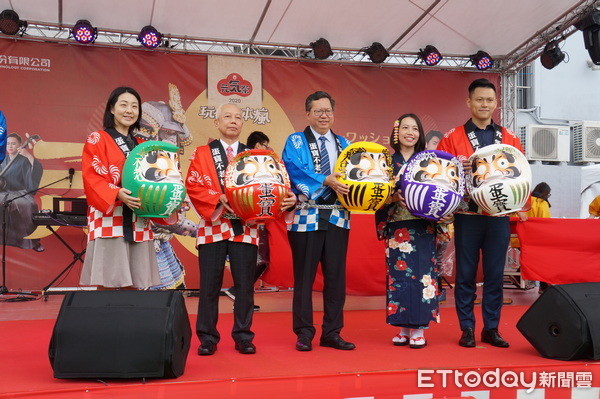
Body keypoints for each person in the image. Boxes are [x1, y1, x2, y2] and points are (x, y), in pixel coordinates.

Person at [186, 104, 295, 356]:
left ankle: (243, 336)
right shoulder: (202, 153)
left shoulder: (256, 155)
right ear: (217, 122)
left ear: (242, 123)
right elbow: (192, 184)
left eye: (237, 117)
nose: (233, 121)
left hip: (246, 228)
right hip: (213, 226)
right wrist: (217, 197)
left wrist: (284, 197)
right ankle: (207, 338)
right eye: (227, 116)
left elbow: (274, 182)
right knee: (209, 285)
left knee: (245, 286)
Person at [437, 78, 526, 348]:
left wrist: (522, 205)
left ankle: (491, 328)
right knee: (465, 274)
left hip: (498, 216)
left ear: (496, 103)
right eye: (479, 99)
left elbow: (521, 172)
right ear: (469, 102)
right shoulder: (452, 137)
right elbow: (441, 176)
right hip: (468, 216)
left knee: (495, 275)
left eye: (489, 100)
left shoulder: (510, 138)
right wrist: (456, 169)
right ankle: (466, 328)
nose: (484, 104)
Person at [282, 91, 355, 352]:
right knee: (304, 277)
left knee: (336, 278)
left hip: (337, 215)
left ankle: (332, 332)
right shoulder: (297, 141)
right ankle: (304, 333)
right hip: (306, 214)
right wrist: (325, 180)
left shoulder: (345, 144)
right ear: (308, 113)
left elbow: (356, 176)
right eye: (318, 111)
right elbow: (292, 168)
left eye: (328, 111)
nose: (324, 115)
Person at [80, 86, 168, 290]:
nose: (129, 110)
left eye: (134, 106)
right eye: (124, 105)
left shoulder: (141, 145)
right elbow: (91, 176)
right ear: (112, 109)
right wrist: (116, 193)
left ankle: (133, 321)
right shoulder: (98, 138)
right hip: (110, 216)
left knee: (137, 281)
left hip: (137, 218)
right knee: (108, 279)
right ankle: (106, 322)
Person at [375, 114, 445, 349]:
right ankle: (403, 327)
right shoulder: (386, 161)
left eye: (414, 128)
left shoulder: (428, 160)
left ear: (420, 133)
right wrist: (392, 197)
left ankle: (419, 328)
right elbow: (376, 193)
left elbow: (442, 188)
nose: (410, 132)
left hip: (423, 225)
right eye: (405, 127)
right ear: (397, 132)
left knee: (423, 278)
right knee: (400, 278)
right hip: (397, 226)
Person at [223, 130, 272, 311]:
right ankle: (238, 293)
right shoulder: (250, 162)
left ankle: (242, 299)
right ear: (258, 146)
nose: (267, 149)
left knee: (259, 259)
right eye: (265, 145)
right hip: (251, 219)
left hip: (254, 218)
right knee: (260, 259)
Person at [0, 132, 44, 251]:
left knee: (27, 205)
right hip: (4, 192)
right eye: (8, 144)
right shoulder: (2, 159)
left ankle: (32, 241)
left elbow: (37, 169)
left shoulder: (24, 159)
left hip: (20, 192)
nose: (10, 146)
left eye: (13, 144)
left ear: (20, 145)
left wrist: (28, 155)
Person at [525, 182, 552, 293]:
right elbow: (546, 222)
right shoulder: (542, 203)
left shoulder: (525, 201)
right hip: (536, 240)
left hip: (519, 239)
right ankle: (543, 285)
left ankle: (520, 275)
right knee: (545, 260)